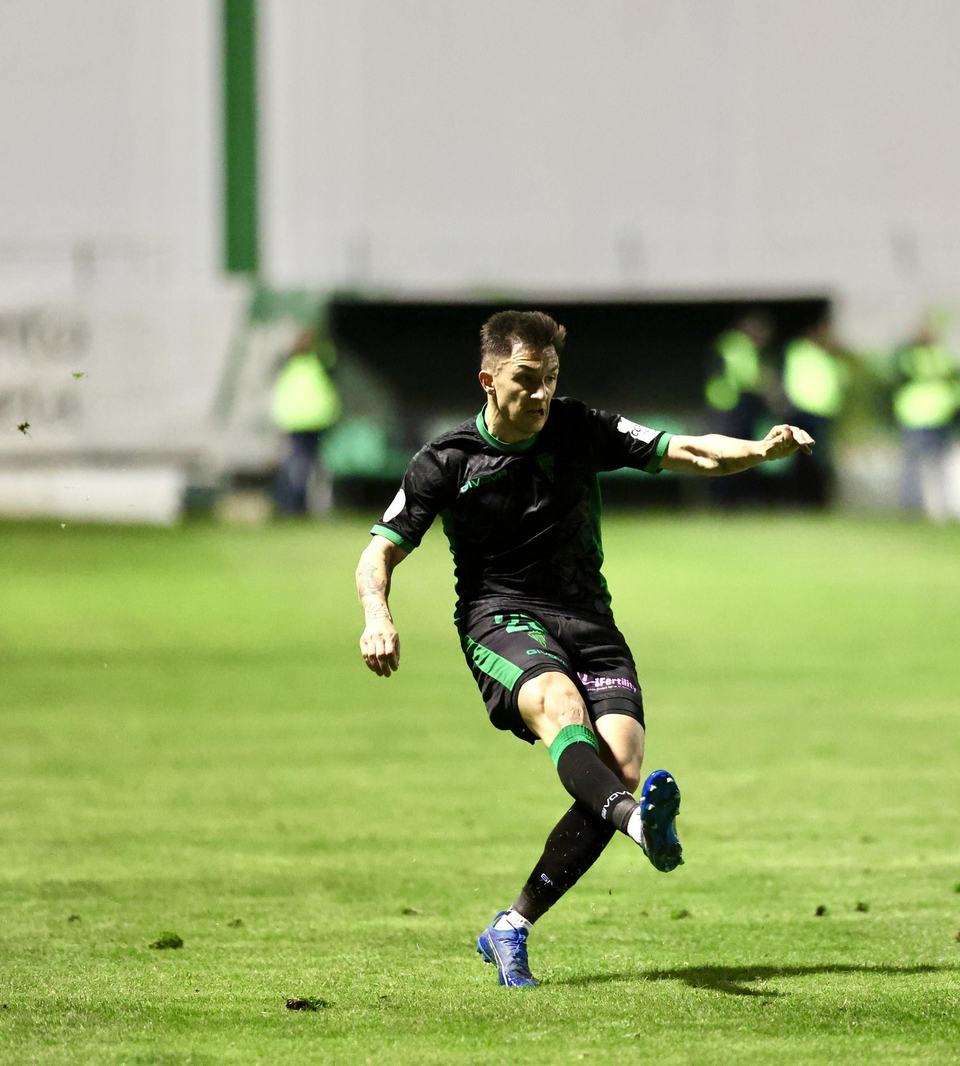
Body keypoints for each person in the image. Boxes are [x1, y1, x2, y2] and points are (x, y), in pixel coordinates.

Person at [354, 310, 815, 987]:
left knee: (621, 767)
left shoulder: (579, 427)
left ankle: (511, 926)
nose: (541, 394)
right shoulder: (446, 460)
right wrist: (376, 615)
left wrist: (761, 452)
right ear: (489, 379)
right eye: (526, 380)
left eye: (551, 380)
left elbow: (687, 450)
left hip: (588, 619)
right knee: (559, 705)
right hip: (500, 620)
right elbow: (379, 551)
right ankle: (638, 829)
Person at [892, 325, 960, 519]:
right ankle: (912, 509)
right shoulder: (908, 357)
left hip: (938, 416)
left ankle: (944, 509)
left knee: (940, 467)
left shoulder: (941, 356)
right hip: (915, 418)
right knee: (915, 467)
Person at [704, 310, 774, 506]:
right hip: (727, 405)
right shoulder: (737, 344)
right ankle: (723, 499)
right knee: (728, 452)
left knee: (733, 453)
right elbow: (748, 377)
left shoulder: (735, 344)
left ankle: (728, 499)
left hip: (730, 405)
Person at [270, 329, 341, 515]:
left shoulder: (294, 364)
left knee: (304, 465)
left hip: (305, 421)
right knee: (302, 466)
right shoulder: (312, 363)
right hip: (308, 421)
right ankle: (293, 506)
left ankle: (300, 507)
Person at [780, 318, 848, 506]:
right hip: (804, 413)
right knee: (802, 459)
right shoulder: (800, 351)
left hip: (824, 415)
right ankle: (800, 499)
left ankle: (817, 500)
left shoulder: (829, 357)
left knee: (820, 459)